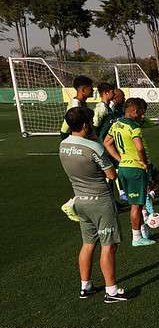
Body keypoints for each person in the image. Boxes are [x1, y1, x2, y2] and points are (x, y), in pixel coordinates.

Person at [59, 107, 132, 303]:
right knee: (108, 246)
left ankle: (85, 285)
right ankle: (112, 290)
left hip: (79, 200)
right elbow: (111, 175)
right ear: (85, 125)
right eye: (90, 123)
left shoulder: (63, 145)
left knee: (88, 243)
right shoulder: (94, 147)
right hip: (100, 201)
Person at [104, 98, 159, 247]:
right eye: (141, 113)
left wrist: (120, 158)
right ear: (134, 111)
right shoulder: (134, 127)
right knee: (136, 205)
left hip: (123, 168)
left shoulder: (117, 124)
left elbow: (107, 143)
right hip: (135, 169)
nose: (142, 116)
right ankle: (137, 237)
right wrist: (144, 163)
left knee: (139, 202)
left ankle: (142, 231)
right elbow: (140, 148)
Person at [60, 75, 94, 222]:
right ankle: (71, 204)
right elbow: (73, 125)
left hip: (76, 139)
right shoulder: (76, 104)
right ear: (83, 89)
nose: (93, 90)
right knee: (86, 177)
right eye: (91, 88)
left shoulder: (82, 103)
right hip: (71, 139)